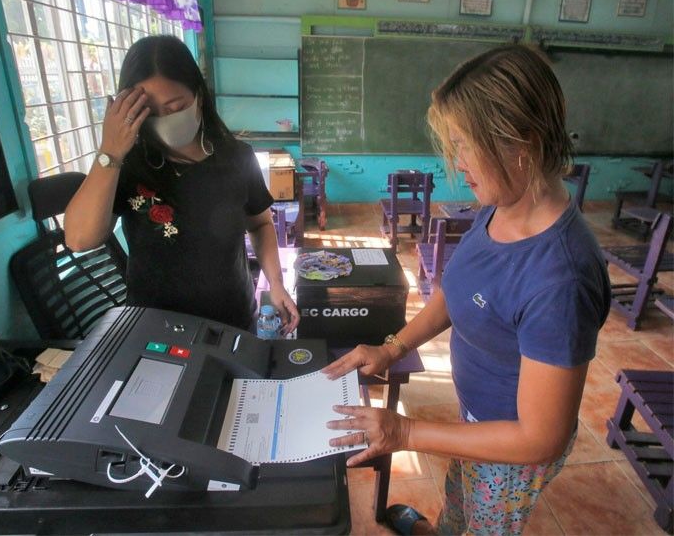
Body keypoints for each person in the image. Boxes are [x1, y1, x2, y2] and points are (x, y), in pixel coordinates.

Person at [323, 44, 611, 536]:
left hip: (511, 449)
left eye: (466, 144)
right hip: (476, 423)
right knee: (460, 495)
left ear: (521, 142)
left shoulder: (560, 278)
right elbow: (457, 292)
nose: (456, 163)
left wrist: (406, 431)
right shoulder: (500, 207)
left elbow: (540, 437)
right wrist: (393, 347)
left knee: (485, 522)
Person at [64, 35, 299, 333]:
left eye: (176, 107)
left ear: (199, 95)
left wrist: (276, 285)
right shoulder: (127, 165)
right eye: (151, 112)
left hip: (230, 320)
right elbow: (79, 239)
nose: (165, 120)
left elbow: (261, 224)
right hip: (153, 326)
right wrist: (109, 152)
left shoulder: (236, 158)